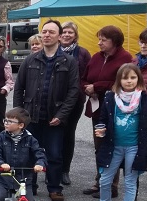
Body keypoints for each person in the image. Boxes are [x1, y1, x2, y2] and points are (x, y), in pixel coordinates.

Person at [13, 19, 80, 201]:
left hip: (54, 118)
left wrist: (61, 115)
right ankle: (30, 186)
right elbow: (19, 88)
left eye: (51, 32)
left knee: (55, 155)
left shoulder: (69, 61)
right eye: (44, 32)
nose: (47, 35)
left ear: (59, 36)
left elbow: (74, 91)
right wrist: (20, 115)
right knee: (28, 153)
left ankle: (54, 187)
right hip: (31, 118)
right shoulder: (30, 59)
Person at [79, 63, 147, 201]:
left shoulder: (145, 100)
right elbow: (103, 118)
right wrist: (101, 129)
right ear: (119, 80)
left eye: (133, 77)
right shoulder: (111, 98)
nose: (129, 81)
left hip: (135, 147)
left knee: (130, 182)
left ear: (138, 79)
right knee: (105, 179)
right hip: (114, 146)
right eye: (125, 78)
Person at [81, 25, 133, 199]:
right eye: (99, 39)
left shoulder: (125, 59)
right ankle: (100, 181)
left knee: (113, 147)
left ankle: (112, 185)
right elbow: (84, 78)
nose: (99, 43)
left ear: (115, 41)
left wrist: (97, 86)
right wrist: (87, 88)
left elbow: (118, 82)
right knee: (100, 146)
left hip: (117, 110)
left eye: (104, 40)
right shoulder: (96, 57)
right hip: (97, 109)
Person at [0, 108, 47, 201]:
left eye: (10, 121)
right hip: (4, 176)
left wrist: (40, 164)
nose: (6, 123)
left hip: (23, 177)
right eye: (5, 120)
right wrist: (0, 163)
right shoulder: (1, 137)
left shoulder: (30, 140)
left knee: (29, 200)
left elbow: (39, 153)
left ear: (21, 125)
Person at [59, 21, 92, 186]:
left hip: (74, 100)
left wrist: (81, 89)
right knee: (53, 135)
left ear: (75, 35)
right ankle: (52, 168)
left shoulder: (83, 53)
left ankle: (65, 170)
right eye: (64, 31)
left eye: (70, 32)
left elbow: (88, 75)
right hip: (54, 100)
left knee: (68, 134)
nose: (66, 35)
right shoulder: (53, 50)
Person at [133, 27, 147, 201]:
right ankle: (133, 197)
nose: (143, 45)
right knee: (131, 156)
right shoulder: (135, 60)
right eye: (141, 41)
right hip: (133, 115)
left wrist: (142, 98)